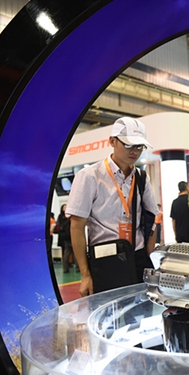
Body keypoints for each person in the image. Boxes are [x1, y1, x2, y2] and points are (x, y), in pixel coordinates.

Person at [66, 116, 159, 297]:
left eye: (139, 146)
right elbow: (77, 227)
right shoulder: (89, 176)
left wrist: (150, 260)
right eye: (128, 144)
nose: (135, 151)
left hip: (137, 258)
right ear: (112, 141)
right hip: (106, 261)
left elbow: (151, 220)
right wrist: (85, 275)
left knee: (140, 317)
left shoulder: (141, 178)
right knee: (108, 319)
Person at [56, 204, 75, 273]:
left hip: (64, 236)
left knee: (66, 252)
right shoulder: (69, 216)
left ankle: (66, 268)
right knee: (73, 252)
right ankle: (76, 268)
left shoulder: (60, 217)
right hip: (69, 236)